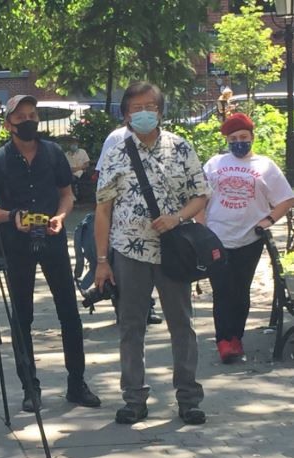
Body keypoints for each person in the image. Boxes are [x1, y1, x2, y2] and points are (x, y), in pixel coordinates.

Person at [94, 81, 209, 425]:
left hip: (173, 251)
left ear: (160, 111)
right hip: (129, 251)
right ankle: (134, 398)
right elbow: (103, 210)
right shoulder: (115, 152)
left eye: (150, 107)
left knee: (181, 324)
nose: (143, 113)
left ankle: (188, 398)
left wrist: (178, 218)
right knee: (131, 326)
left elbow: (201, 195)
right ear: (126, 115)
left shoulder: (181, 148)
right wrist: (101, 261)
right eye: (135, 108)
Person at [0, 94, 100, 413]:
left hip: (53, 239)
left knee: (69, 313)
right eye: (20, 117)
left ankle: (77, 383)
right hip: (15, 244)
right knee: (22, 316)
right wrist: (11, 216)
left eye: (32, 115)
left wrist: (61, 217)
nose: (28, 121)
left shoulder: (53, 153)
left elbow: (66, 195)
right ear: (8, 124)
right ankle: (30, 386)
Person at [201, 113, 294, 363]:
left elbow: (286, 198)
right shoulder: (214, 164)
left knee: (240, 289)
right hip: (216, 236)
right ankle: (223, 340)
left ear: (252, 137)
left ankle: (236, 338)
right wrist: (201, 228)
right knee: (221, 289)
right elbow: (199, 196)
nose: (239, 142)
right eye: (234, 138)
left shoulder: (265, 166)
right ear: (227, 140)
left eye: (243, 137)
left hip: (249, 239)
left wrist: (269, 220)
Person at [94, 123, 163, 326]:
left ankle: (148, 305)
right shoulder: (116, 138)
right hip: (121, 223)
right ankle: (123, 309)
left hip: (156, 224)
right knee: (123, 271)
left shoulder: (166, 142)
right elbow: (103, 178)